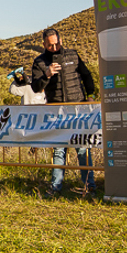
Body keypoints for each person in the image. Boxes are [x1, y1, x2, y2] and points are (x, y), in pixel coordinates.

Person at [31, 28, 97, 195]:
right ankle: (55, 187)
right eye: (50, 45)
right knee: (59, 150)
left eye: (57, 44)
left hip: (78, 109)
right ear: (44, 44)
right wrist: (46, 75)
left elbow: (87, 75)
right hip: (57, 111)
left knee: (82, 148)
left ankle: (89, 187)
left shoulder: (72, 55)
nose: (54, 48)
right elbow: (35, 87)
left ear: (61, 41)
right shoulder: (39, 62)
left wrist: (91, 96)